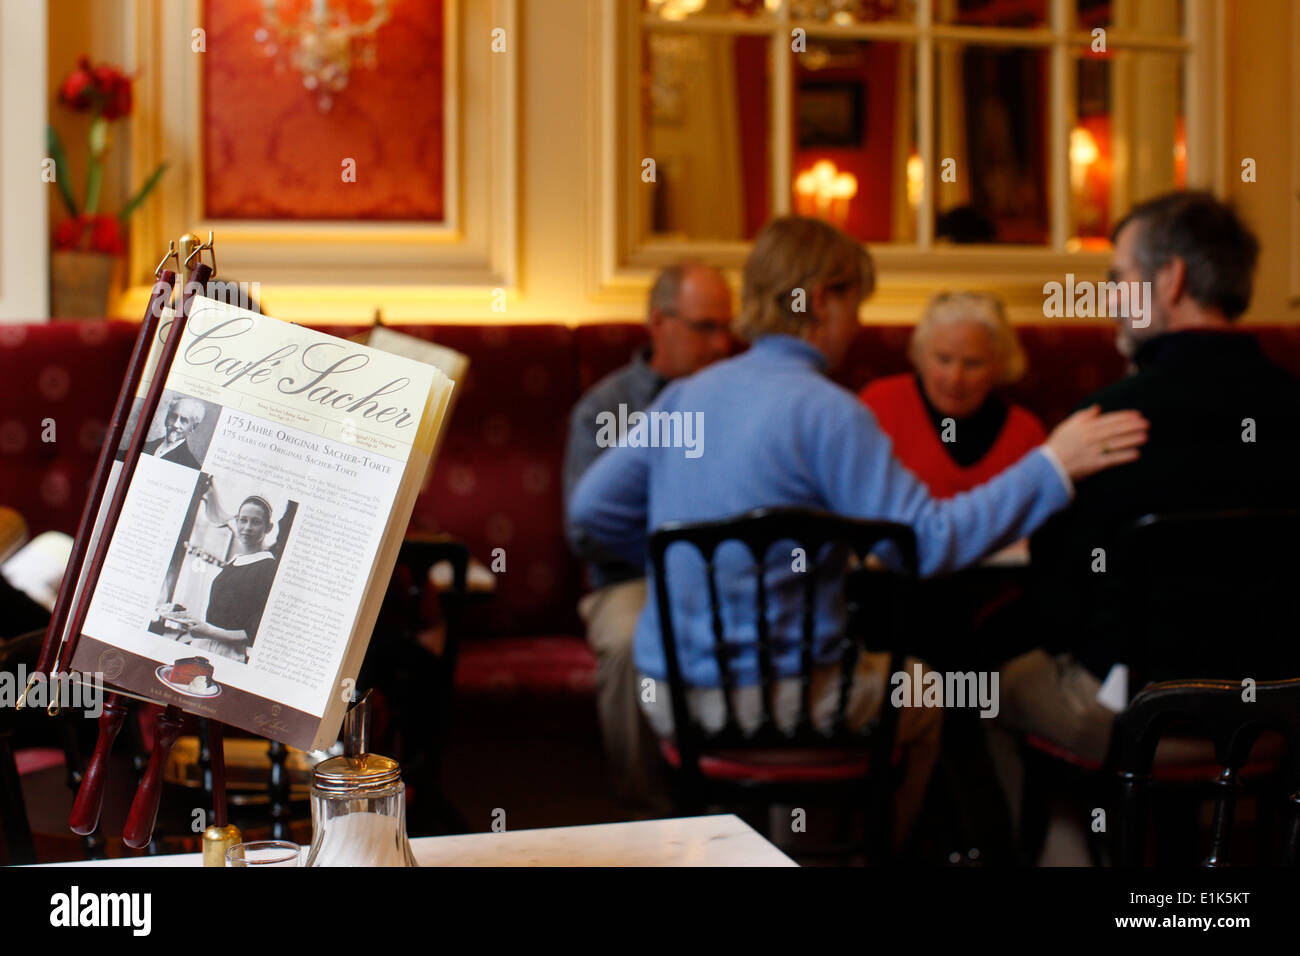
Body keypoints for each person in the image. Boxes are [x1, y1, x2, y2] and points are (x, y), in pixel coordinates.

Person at [568, 215, 1148, 840]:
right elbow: (926, 544)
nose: (861, 324)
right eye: (856, 305)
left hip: (671, 696)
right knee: (924, 690)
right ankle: (858, 855)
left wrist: (685, 559)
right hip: (783, 700)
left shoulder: (685, 396)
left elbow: (589, 512)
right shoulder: (830, 412)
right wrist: (1053, 465)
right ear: (822, 301)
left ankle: (768, 847)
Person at [999, 190, 1300, 764]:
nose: (1112, 298)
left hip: (1141, 717)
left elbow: (1058, 608)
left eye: (1119, 279)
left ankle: (1076, 853)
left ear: (1170, 279)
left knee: (990, 692)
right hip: (1283, 716)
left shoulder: (1107, 424)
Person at [563, 261, 732, 807]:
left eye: (728, 328)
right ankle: (650, 821)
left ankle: (750, 824)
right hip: (633, 579)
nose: (722, 344)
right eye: (706, 327)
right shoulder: (605, 408)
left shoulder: (739, 398)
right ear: (659, 321)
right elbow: (584, 533)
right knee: (634, 643)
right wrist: (678, 560)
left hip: (730, 576)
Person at [861, 292, 1047, 499]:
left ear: (998, 365)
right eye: (943, 359)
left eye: (972, 363)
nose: (955, 378)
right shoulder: (880, 404)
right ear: (922, 355)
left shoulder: (1025, 434)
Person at [166, 496, 279, 663]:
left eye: (256, 522)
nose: (247, 527)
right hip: (202, 646)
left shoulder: (268, 567)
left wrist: (208, 632)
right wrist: (191, 621)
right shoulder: (235, 560)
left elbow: (255, 633)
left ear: (268, 527)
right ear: (236, 521)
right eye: (243, 520)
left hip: (228, 655)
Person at [143, 397, 204, 469]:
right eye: (173, 417)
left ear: (193, 427)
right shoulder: (145, 446)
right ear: (166, 418)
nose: (175, 424)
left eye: (183, 420)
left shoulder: (191, 466)